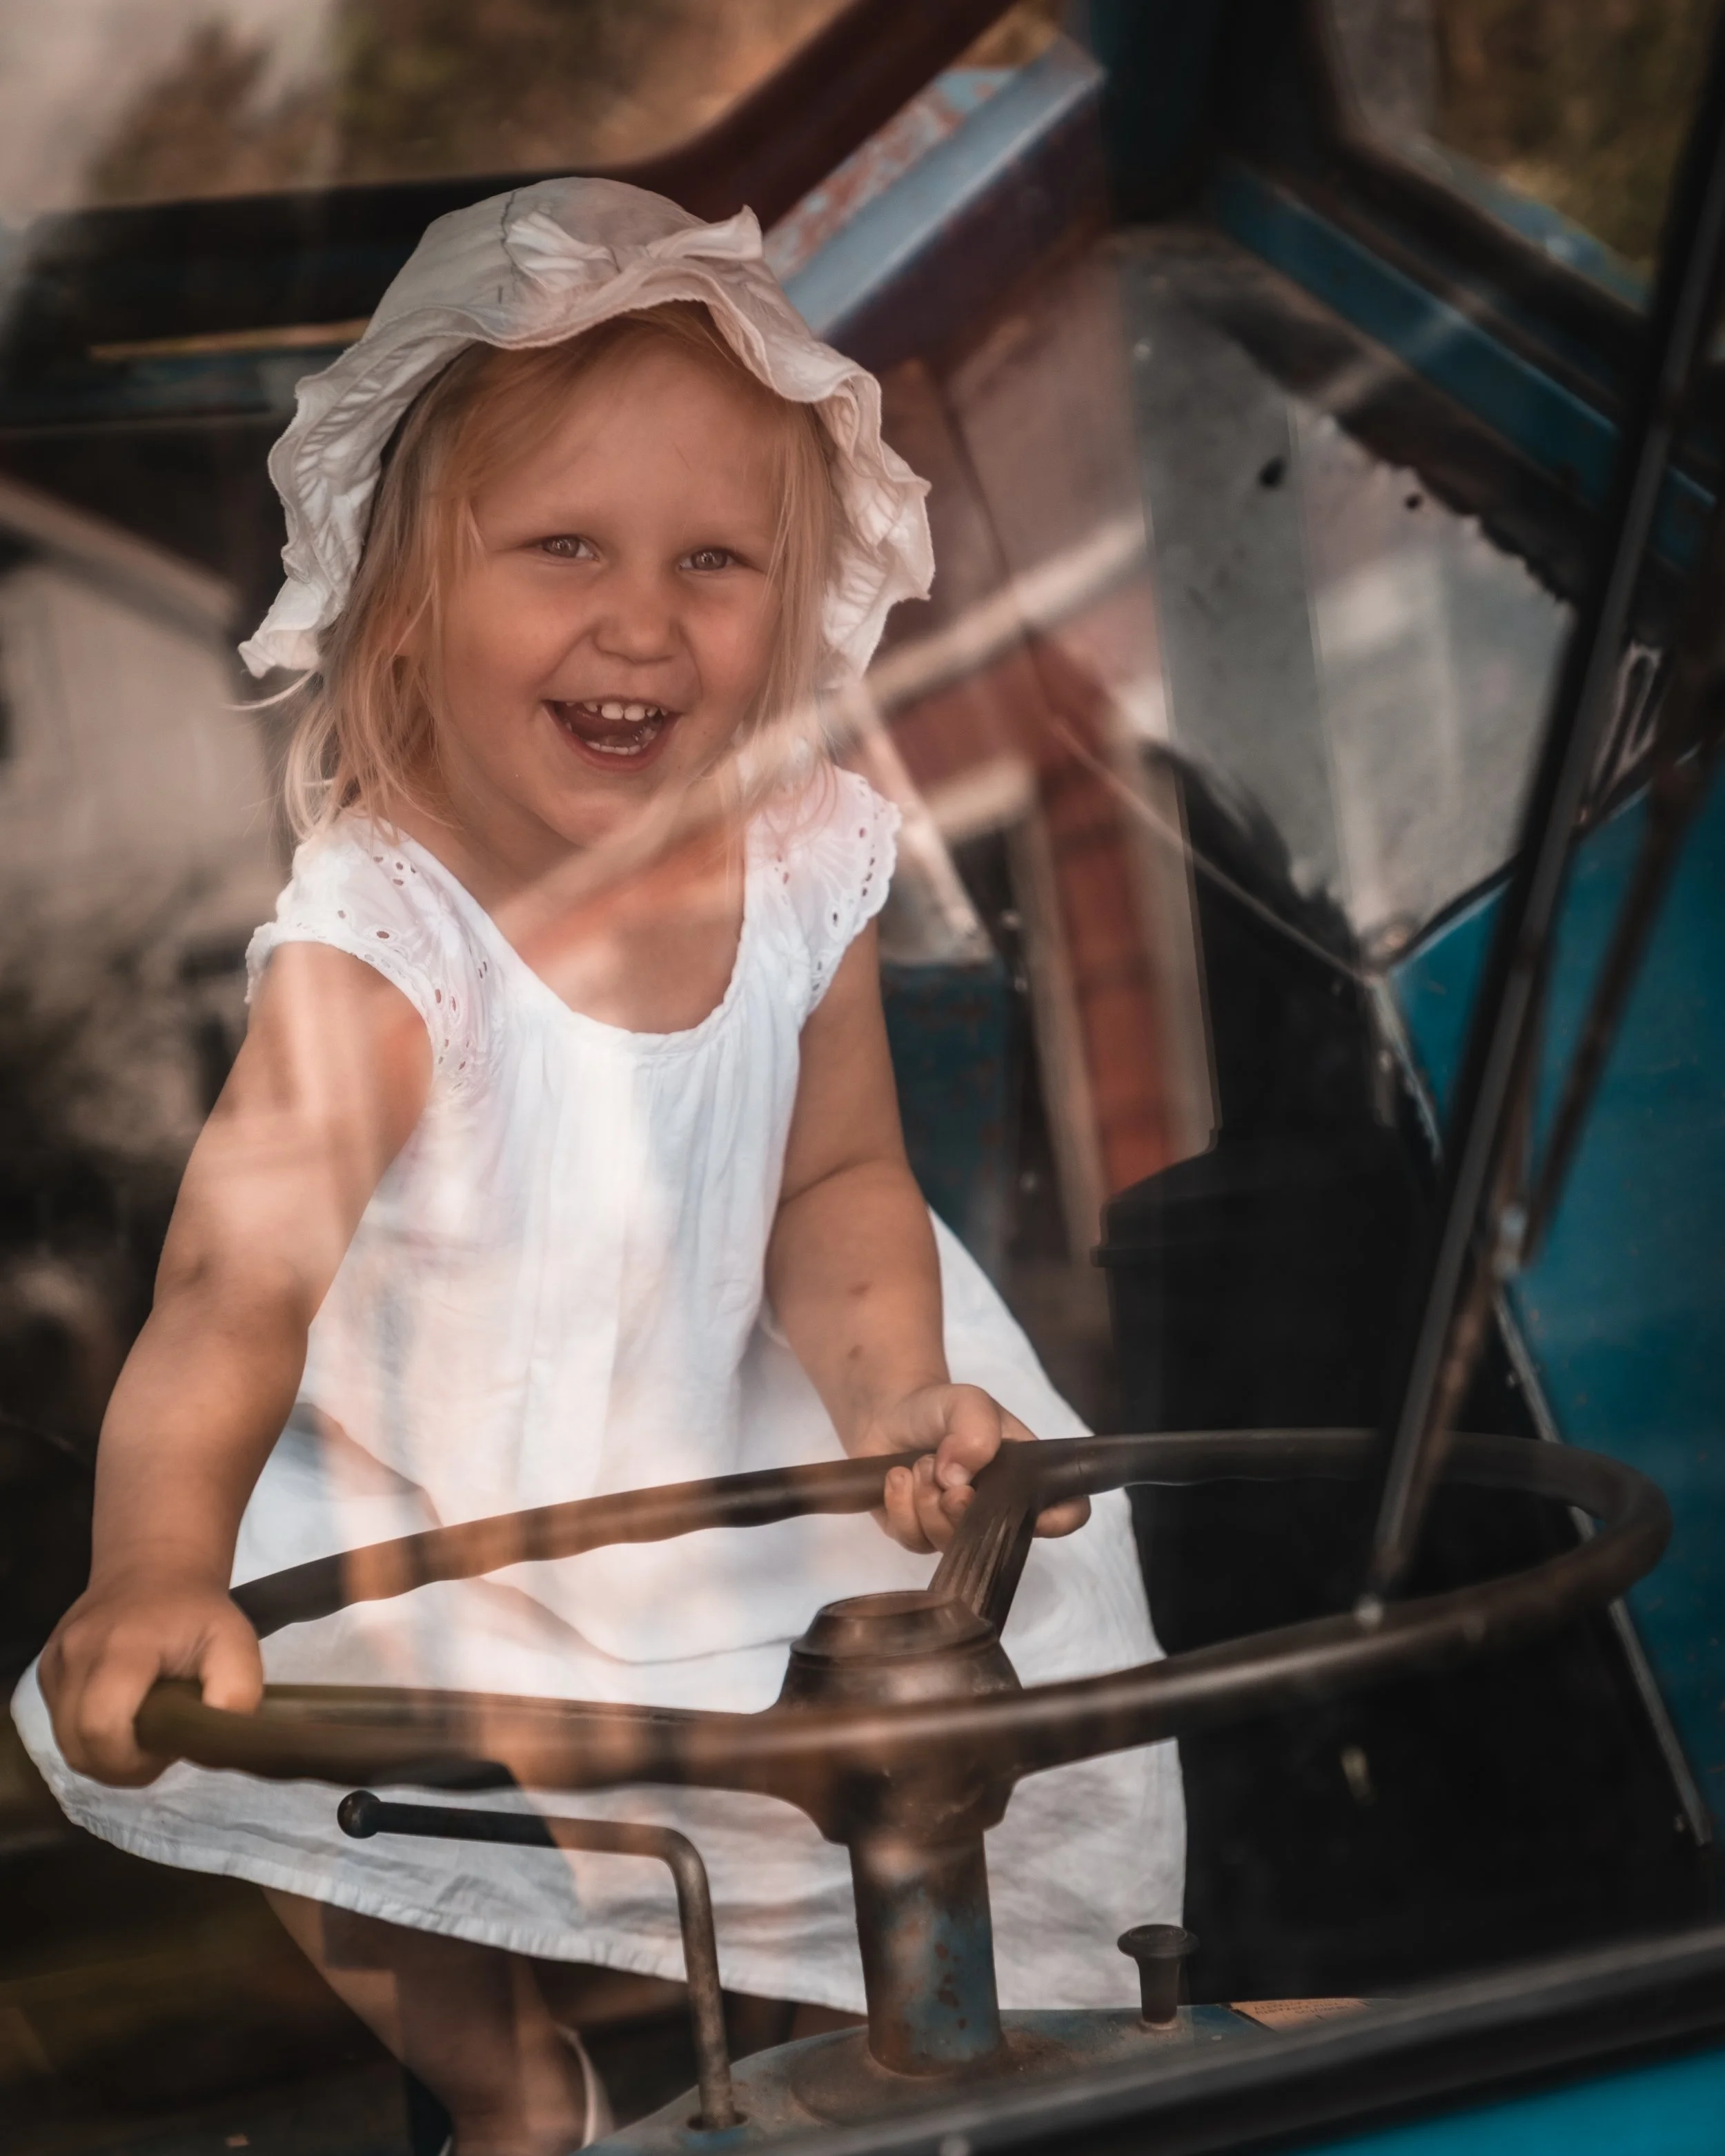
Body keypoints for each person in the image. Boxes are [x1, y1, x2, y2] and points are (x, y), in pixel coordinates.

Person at [13, 179, 1183, 2156]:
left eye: (714, 560)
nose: (641, 620)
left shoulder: (801, 861)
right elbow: (237, 1281)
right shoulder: (390, 938)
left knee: (973, 1674)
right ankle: (509, 2086)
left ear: (794, 603)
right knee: (299, 1742)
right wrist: (152, 1563)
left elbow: (834, 1189)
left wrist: (892, 1392)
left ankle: (905, 2043)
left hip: (729, 1438)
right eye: (563, 546)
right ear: (407, 589)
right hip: (442, 1494)